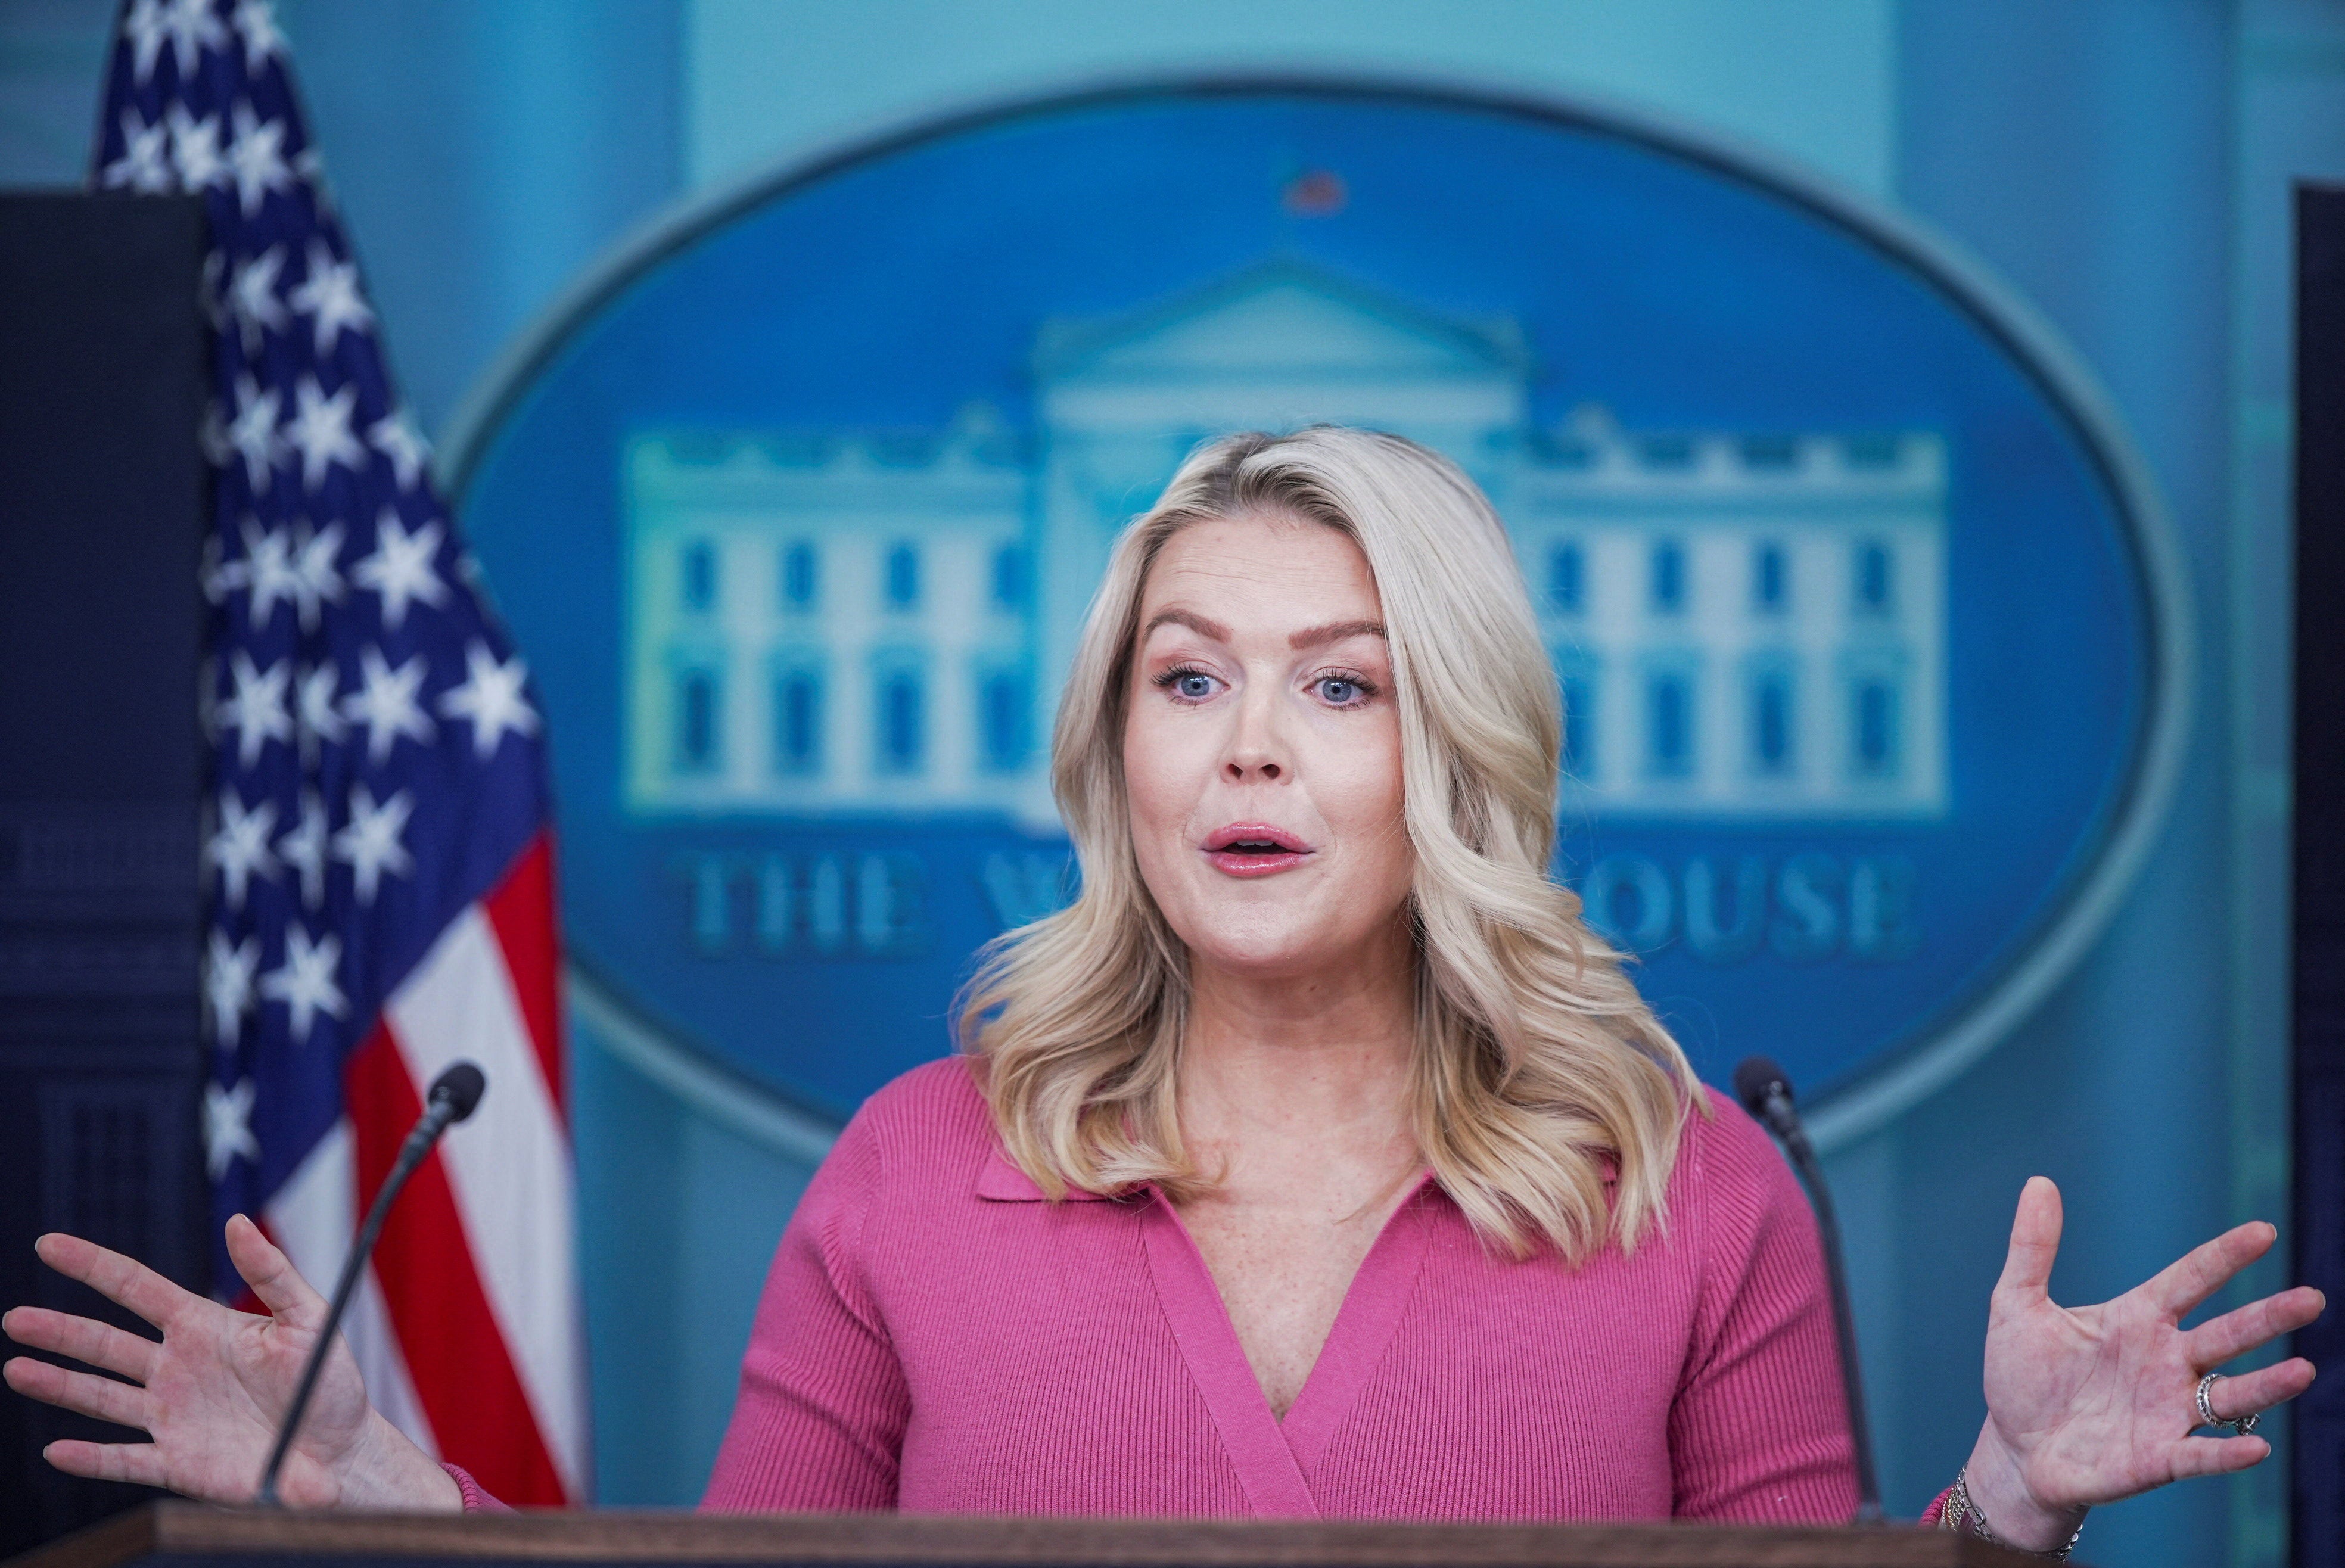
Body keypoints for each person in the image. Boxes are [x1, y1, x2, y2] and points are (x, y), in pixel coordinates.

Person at [3, 429, 2324, 1553]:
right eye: (1190, 673)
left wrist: (2007, 1505)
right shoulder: (917, 1167)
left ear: (1463, 748)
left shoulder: (1695, 1193)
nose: (1246, 740)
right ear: (1117, 742)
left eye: (1339, 683)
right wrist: (393, 1505)